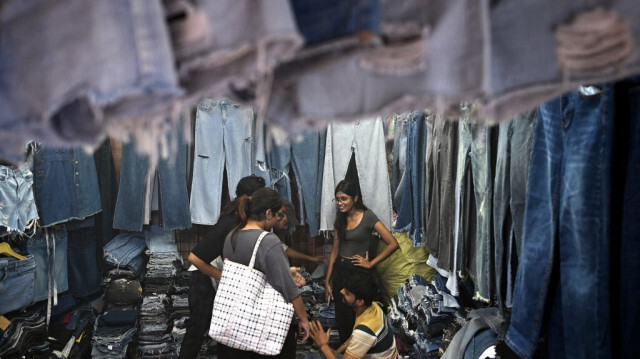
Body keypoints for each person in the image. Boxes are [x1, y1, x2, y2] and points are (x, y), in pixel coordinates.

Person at [179, 175, 266, 359]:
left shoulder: (243, 221)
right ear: (248, 198)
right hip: (203, 282)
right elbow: (194, 258)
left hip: (217, 283)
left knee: (225, 336)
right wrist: (224, 277)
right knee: (197, 332)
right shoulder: (230, 222)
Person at [220, 187, 310, 358]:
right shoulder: (268, 241)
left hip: (237, 321)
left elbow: (249, 273)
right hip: (264, 325)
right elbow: (289, 288)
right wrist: (304, 319)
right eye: (277, 215)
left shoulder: (232, 236)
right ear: (268, 213)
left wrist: (285, 270)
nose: (278, 219)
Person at [325, 179, 399, 344]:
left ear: (355, 198)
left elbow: (393, 243)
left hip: (359, 273)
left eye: (344, 198)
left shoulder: (368, 217)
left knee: (360, 319)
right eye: (337, 199)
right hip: (341, 272)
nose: (340, 203)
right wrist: (327, 280)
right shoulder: (340, 219)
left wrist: (371, 263)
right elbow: (335, 251)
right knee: (342, 318)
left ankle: (361, 352)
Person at [309, 272, 398, 359]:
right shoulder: (372, 306)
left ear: (360, 301)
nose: (341, 291)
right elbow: (353, 338)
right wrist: (336, 352)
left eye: (347, 293)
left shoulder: (365, 330)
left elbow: (360, 336)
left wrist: (323, 345)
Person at [275, 200, 326, 265]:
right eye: (285, 223)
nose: (285, 228)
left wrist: (311, 258)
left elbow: (286, 250)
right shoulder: (267, 234)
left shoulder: (272, 232)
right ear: (279, 216)